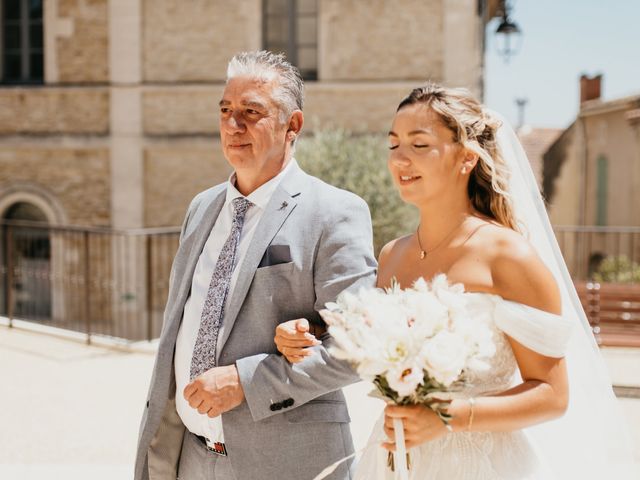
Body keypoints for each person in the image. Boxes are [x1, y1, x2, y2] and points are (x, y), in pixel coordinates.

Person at [275, 83, 638, 479]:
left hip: (482, 464)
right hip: (394, 459)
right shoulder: (392, 255)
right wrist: (307, 333)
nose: (400, 159)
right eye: (394, 145)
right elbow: (369, 347)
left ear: (466, 158)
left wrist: (450, 416)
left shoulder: (509, 256)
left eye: (419, 145)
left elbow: (552, 395)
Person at [134, 50, 377, 480]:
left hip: (288, 464)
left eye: (251, 112)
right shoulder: (202, 207)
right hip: (188, 457)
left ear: (293, 125)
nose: (233, 125)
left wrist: (245, 381)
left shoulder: (336, 212)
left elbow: (355, 350)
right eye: (226, 111)